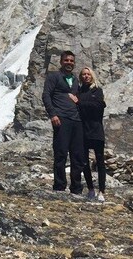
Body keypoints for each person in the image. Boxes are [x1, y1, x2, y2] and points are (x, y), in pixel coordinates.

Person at [42, 50, 86, 195]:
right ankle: (59, 186)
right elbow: (46, 95)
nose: (69, 63)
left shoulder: (74, 79)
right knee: (61, 153)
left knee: (77, 155)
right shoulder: (54, 76)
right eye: (66, 60)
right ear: (61, 62)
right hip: (61, 118)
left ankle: (76, 188)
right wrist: (52, 114)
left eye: (71, 61)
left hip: (77, 120)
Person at [76, 66, 107, 202]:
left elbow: (99, 106)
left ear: (92, 76)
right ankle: (90, 189)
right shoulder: (79, 91)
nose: (86, 76)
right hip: (83, 130)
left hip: (96, 129)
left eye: (88, 74)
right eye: (83, 74)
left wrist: (80, 102)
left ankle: (101, 191)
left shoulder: (97, 90)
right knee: (84, 162)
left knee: (100, 161)